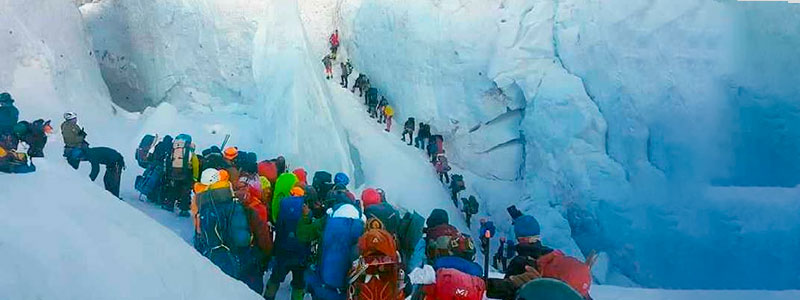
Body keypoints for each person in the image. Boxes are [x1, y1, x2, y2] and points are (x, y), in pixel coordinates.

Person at [487, 213, 595, 300]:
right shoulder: (552, 256)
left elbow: (508, 290)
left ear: (520, 239)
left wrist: (486, 285)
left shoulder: (520, 263)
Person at [265, 190, 309, 300]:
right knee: (299, 283)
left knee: (275, 278)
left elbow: (279, 230)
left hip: (283, 250)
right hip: (300, 252)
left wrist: (275, 250)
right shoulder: (306, 209)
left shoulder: (284, 206)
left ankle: (268, 297)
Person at [162, 134, 198, 216]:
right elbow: (195, 164)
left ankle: (169, 205)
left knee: (174, 188)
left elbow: (169, 161)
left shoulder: (174, 149)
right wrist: (195, 177)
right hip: (186, 174)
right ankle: (184, 210)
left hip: (174, 173)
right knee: (185, 192)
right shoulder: (190, 150)